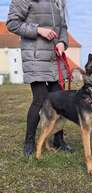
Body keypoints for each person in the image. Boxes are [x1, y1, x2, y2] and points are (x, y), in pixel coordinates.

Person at [6, 0, 74, 158]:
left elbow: (63, 27)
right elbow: (12, 23)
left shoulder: (57, 1)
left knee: (60, 101)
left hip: (54, 59)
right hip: (35, 58)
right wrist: (38, 30)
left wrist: (63, 43)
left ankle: (59, 140)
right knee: (40, 100)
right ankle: (29, 142)